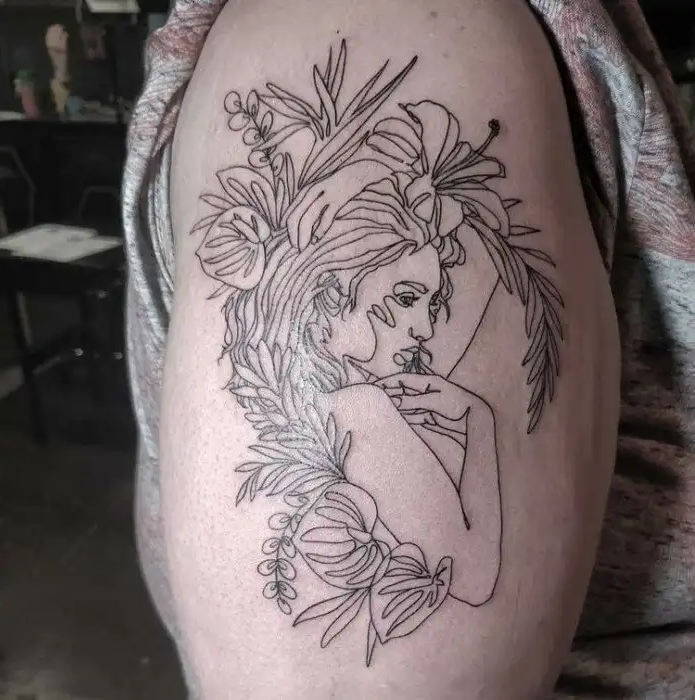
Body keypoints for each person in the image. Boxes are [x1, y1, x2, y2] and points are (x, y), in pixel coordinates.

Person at [123, 0, 695, 698]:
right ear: (334, 291)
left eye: (432, 301)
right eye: (402, 298)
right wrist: (475, 426)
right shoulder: (413, 34)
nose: (424, 327)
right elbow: (464, 584)